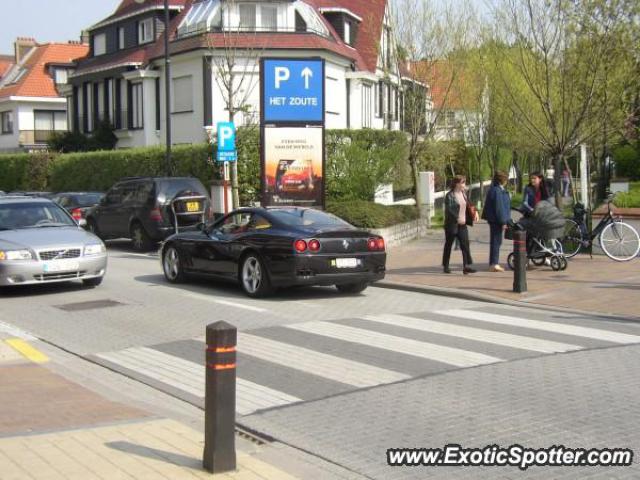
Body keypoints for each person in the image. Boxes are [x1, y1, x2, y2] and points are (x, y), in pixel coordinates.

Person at [442, 176, 477, 274]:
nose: (464, 185)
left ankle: (466, 266)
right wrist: (457, 218)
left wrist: (475, 212)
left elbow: (469, 204)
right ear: (457, 184)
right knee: (448, 245)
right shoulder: (450, 195)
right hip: (452, 225)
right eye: (463, 183)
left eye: (464, 182)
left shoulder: (463, 194)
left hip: (462, 225)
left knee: (465, 245)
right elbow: (449, 209)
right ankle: (446, 266)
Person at [482, 171, 511, 272]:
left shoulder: (496, 189)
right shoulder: (497, 191)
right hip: (496, 221)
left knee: (496, 241)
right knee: (496, 241)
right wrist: (503, 221)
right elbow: (499, 208)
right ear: (503, 180)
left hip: (494, 220)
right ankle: (494, 264)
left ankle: (493, 263)